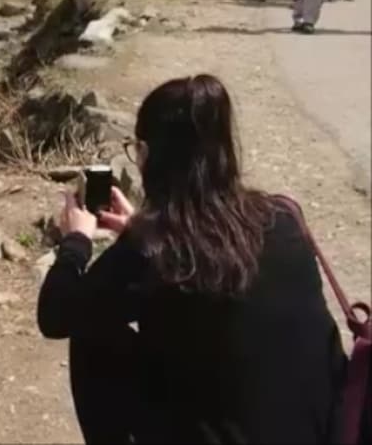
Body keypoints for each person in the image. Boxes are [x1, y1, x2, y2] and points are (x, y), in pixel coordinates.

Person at [37, 74, 346, 444]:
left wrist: (76, 240)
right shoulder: (282, 218)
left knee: (94, 329)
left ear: (148, 154)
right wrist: (140, 228)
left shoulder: (158, 246)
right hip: (326, 431)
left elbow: (55, 315)